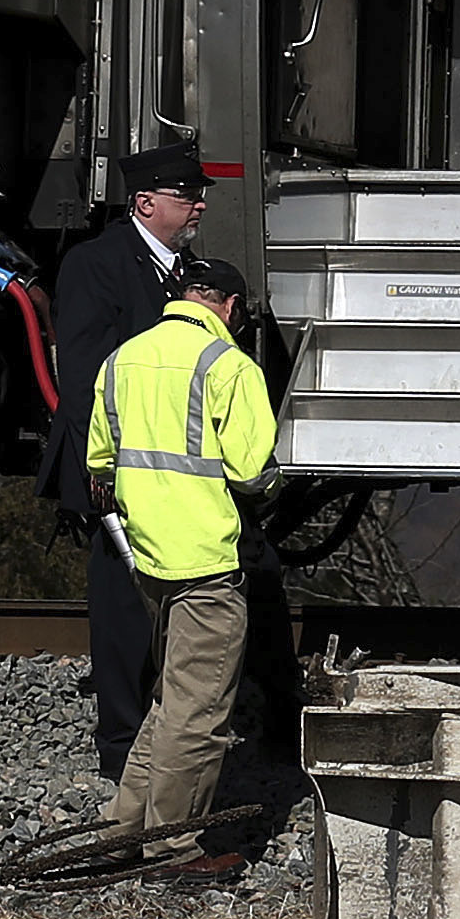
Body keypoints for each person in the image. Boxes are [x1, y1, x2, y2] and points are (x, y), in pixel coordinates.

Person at [87, 234, 277, 885]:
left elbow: (98, 467)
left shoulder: (121, 361)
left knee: (171, 705)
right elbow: (252, 472)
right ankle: (173, 852)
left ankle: (119, 835)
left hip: (149, 560)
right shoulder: (228, 367)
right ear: (228, 307)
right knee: (197, 715)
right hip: (205, 562)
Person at [43, 136, 213, 782]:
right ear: (145, 202)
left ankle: (161, 738)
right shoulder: (98, 264)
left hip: (170, 469)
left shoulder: (184, 271)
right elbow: (87, 372)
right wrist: (101, 468)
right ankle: (122, 751)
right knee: (122, 611)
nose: (197, 206)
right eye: (185, 195)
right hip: (119, 467)